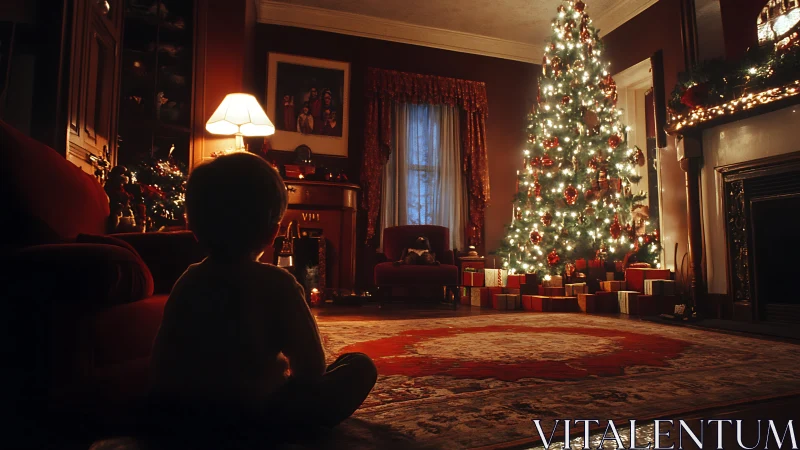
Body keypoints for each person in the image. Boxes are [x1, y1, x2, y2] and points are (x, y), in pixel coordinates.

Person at [148, 153, 377, 445]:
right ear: (273, 233)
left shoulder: (188, 280)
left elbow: (160, 363)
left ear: (193, 227)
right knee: (359, 365)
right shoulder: (279, 283)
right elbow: (311, 369)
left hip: (189, 417)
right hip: (261, 417)